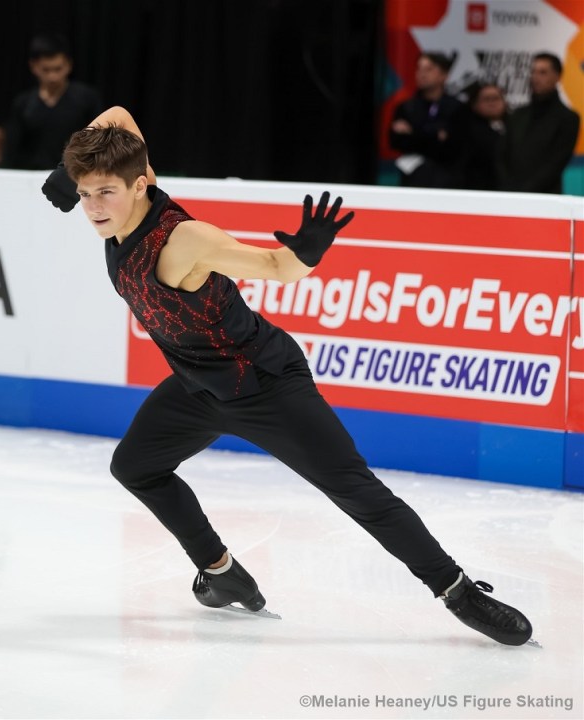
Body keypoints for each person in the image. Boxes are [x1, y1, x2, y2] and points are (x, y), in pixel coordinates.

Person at [42, 105, 533, 646]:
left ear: (141, 185)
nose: (92, 207)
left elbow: (277, 267)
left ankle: (459, 591)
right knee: (135, 466)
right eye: (85, 193)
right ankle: (221, 571)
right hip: (198, 384)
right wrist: (73, 171)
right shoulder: (126, 186)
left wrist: (306, 254)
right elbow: (117, 116)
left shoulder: (187, 240)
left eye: (104, 192)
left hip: (263, 382)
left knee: (355, 490)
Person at [3, 34, 102, 170]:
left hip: (75, 176)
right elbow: (12, 150)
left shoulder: (87, 99)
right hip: (31, 177)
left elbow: (98, 143)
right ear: (33, 66)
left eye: (58, 69)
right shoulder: (23, 104)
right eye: (46, 70)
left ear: (69, 65)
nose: (53, 76)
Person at [497, 52, 580, 194]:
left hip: (545, 198)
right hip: (509, 194)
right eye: (533, 71)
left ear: (557, 77)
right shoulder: (517, 114)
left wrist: (526, 191)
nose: (535, 77)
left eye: (543, 72)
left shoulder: (568, 118)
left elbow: (556, 163)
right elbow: (501, 154)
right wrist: (507, 186)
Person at [389, 53, 468, 189]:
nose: (422, 74)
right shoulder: (406, 107)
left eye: (429, 69)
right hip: (413, 179)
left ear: (444, 75)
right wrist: (435, 135)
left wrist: (413, 132)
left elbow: (453, 147)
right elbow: (396, 141)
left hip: (448, 180)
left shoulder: (458, 108)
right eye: (419, 69)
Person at [462, 83, 507, 191]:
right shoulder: (468, 131)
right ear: (475, 104)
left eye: (496, 98)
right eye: (487, 99)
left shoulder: (515, 126)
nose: (492, 103)